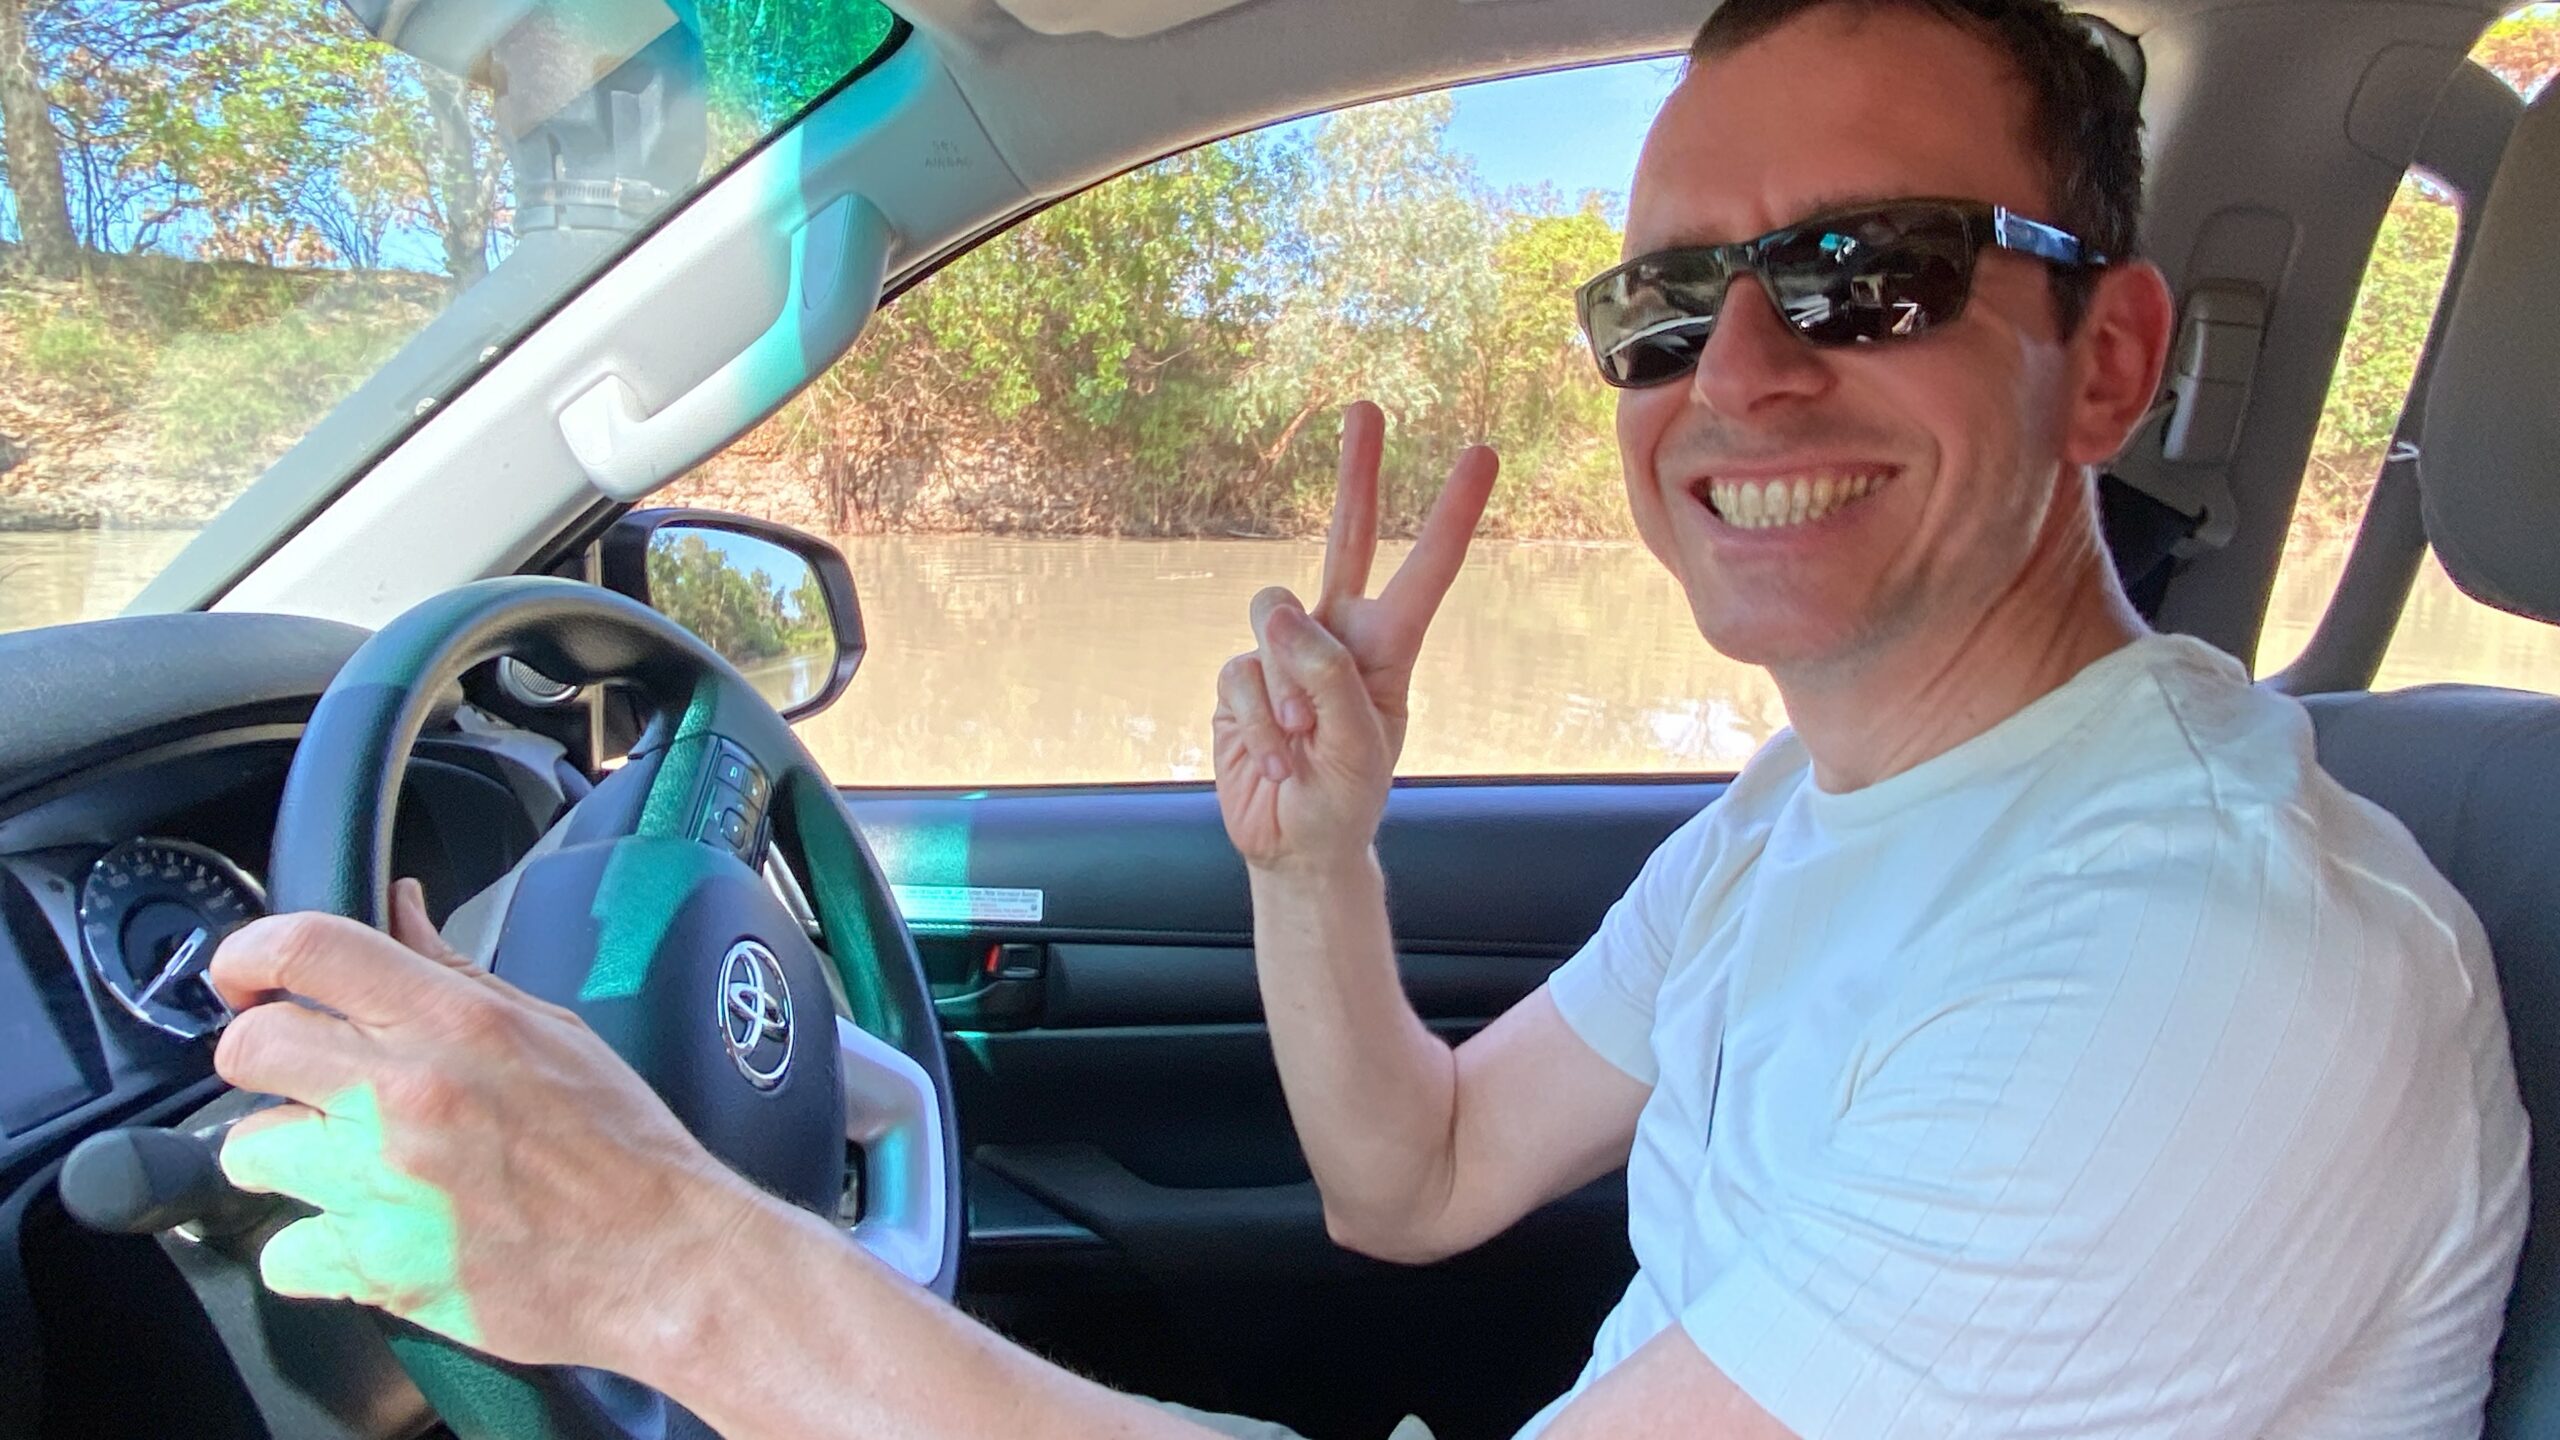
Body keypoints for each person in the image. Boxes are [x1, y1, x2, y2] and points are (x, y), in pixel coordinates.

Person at [205, 0, 2529, 1435]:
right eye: (1664, 301)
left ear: (2102, 362)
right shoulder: (1824, 813)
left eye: (1863, 273)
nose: (1733, 374)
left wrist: (674, 1260)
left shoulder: (2192, 966)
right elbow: (1411, 1186)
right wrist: (1312, 863)